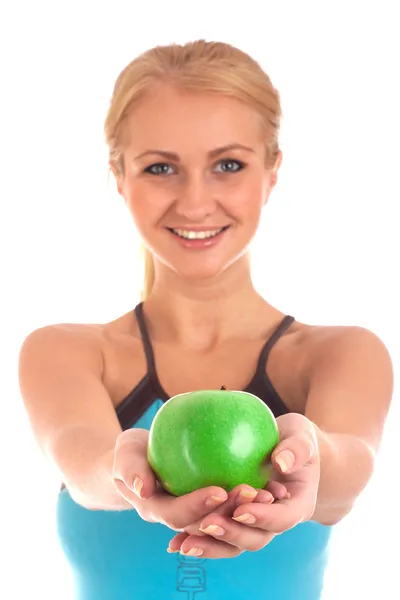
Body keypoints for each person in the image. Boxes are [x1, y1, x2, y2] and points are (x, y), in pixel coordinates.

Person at [18, 39, 393, 600]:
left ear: (271, 172)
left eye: (228, 165)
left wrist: (311, 459)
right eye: (161, 167)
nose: (195, 203)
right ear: (119, 177)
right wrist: (127, 473)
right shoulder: (64, 352)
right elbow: (85, 466)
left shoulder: (341, 354)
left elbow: (345, 477)